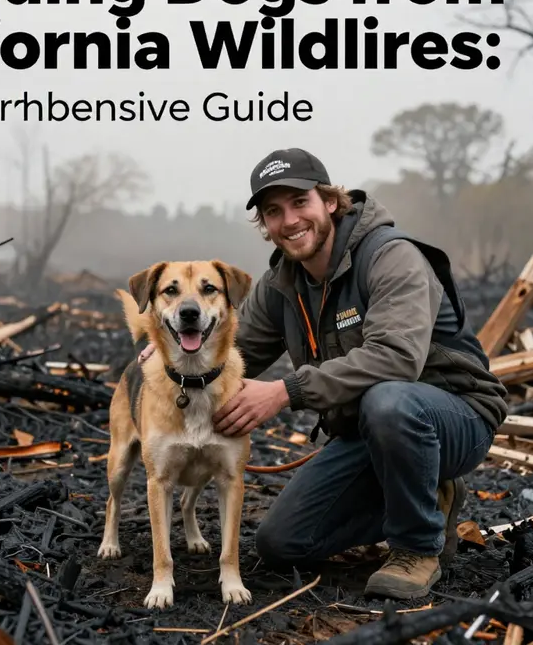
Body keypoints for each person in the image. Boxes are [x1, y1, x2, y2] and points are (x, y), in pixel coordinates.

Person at [138, 147, 508, 600]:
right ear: (265, 225)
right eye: (274, 211)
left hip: (453, 416)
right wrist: (167, 363)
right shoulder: (282, 284)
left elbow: (396, 358)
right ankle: (426, 492)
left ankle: (417, 547)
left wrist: (284, 392)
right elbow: (231, 351)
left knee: (389, 401)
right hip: (367, 434)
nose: (289, 220)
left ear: (330, 201)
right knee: (281, 543)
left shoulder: (391, 257)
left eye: (300, 202)